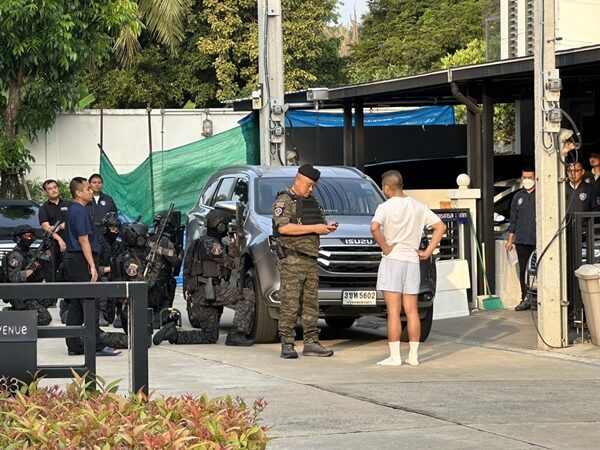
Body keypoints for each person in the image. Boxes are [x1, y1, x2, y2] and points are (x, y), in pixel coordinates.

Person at [370, 170, 445, 366]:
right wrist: (428, 251)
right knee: (411, 310)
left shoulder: (384, 207)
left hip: (392, 259)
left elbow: (374, 228)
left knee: (393, 311)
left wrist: (385, 247)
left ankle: (395, 356)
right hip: (412, 259)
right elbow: (441, 226)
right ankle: (414, 356)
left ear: (387, 188)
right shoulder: (418, 206)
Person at [272, 164, 337, 359]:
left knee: (311, 304)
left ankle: (311, 342)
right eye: (308, 185)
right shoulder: (285, 200)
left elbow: (315, 223)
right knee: (290, 303)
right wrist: (316, 228)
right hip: (292, 258)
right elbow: (283, 228)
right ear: (298, 180)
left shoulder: (312, 202)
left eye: (313, 186)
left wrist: (325, 227)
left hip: (310, 259)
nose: (310, 189)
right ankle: (287, 343)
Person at [165, 208, 255, 347]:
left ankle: (174, 335)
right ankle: (237, 334)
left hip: (201, 294)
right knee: (247, 295)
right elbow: (232, 263)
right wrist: (234, 241)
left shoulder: (201, 242)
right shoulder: (212, 245)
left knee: (210, 335)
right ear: (219, 225)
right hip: (208, 292)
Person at [63, 177, 120, 357]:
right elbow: (83, 240)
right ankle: (94, 344)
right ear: (79, 192)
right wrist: (92, 266)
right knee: (89, 302)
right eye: (88, 188)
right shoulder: (78, 211)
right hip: (80, 259)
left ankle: (74, 345)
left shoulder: (77, 210)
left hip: (75, 259)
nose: (91, 190)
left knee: (76, 304)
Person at [2, 225, 52, 326]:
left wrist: (46, 247)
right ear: (18, 238)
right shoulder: (15, 256)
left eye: (32, 235)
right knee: (45, 319)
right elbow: (13, 278)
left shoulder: (31, 253)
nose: (30, 238)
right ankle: (11, 313)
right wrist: (30, 270)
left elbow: (47, 259)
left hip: (32, 292)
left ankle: (26, 312)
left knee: (49, 300)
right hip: (21, 295)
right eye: (27, 235)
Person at [506, 167, 537, 311]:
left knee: (538, 271)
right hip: (521, 239)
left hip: (537, 240)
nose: (528, 180)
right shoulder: (518, 196)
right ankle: (525, 298)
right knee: (523, 270)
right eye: (525, 177)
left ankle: (538, 299)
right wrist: (510, 239)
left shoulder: (540, 195)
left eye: (530, 177)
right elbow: (513, 220)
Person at [146, 211, 184, 328]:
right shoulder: (166, 242)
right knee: (171, 282)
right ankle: (163, 316)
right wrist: (181, 254)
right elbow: (175, 262)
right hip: (160, 283)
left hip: (146, 280)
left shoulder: (148, 238)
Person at [97, 211, 127, 327]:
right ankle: (100, 312)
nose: (114, 231)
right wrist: (108, 269)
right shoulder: (99, 243)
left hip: (114, 275)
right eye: (112, 228)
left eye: (116, 228)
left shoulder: (118, 243)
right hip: (101, 275)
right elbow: (92, 267)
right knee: (103, 282)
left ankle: (122, 312)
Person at [38, 179, 71, 283]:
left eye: (55, 187)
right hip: (52, 245)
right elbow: (46, 227)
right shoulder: (43, 208)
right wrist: (60, 240)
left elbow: (74, 221)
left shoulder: (69, 204)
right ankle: (51, 298)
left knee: (69, 272)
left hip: (70, 243)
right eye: (50, 189)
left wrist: (61, 226)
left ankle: (69, 298)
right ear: (45, 192)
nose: (53, 190)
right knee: (52, 274)